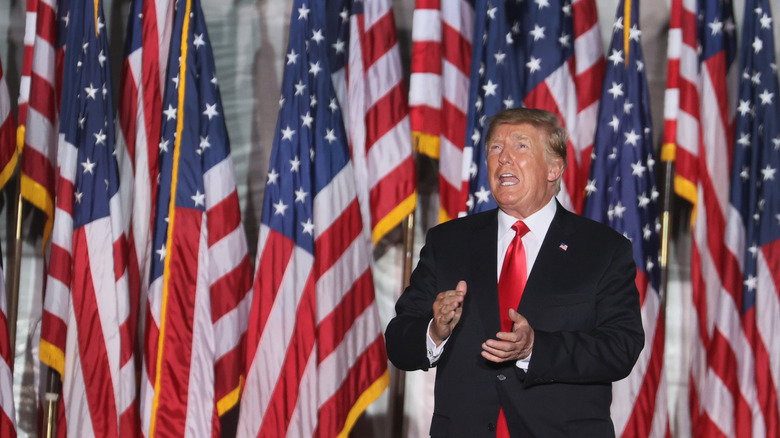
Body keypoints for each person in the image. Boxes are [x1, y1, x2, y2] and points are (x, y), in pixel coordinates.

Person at [385, 108, 644, 437]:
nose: (503, 158)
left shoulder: (603, 250)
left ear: (554, 168)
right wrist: (434, 332)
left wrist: (536, 348)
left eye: (520, 147)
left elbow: (621, 347)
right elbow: (397, 341)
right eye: (495, 148)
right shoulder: (448, 242)